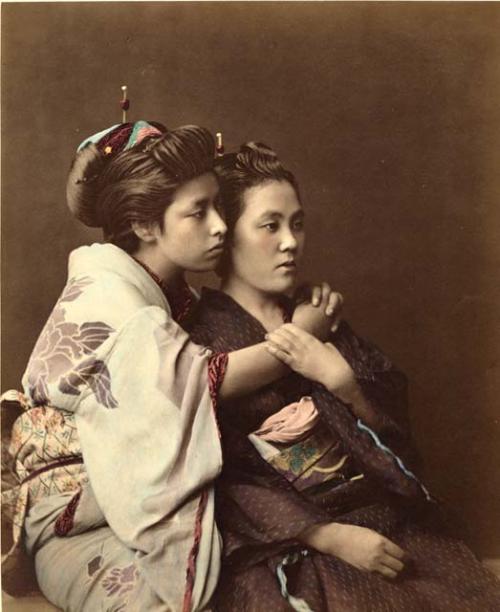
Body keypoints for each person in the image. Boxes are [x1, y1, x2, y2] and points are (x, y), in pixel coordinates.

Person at [1, 122, 338, 611]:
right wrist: (301, 336)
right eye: (198, 213)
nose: (220, 226)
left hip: (131, 488)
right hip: (74, 510)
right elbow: (202, 383)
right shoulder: (110, 294)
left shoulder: (168, 291)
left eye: (218, 207)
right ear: (144, 225)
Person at [188, 141, 500, 611]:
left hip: (383, 518)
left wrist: (344, 383)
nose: (290, 241)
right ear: (227, 236)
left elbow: (400, 440)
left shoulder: (318, 314)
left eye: (297, 224)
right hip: (289, 541)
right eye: (269, 226)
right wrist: (329, 536)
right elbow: (220, 478)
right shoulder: (204, 338)